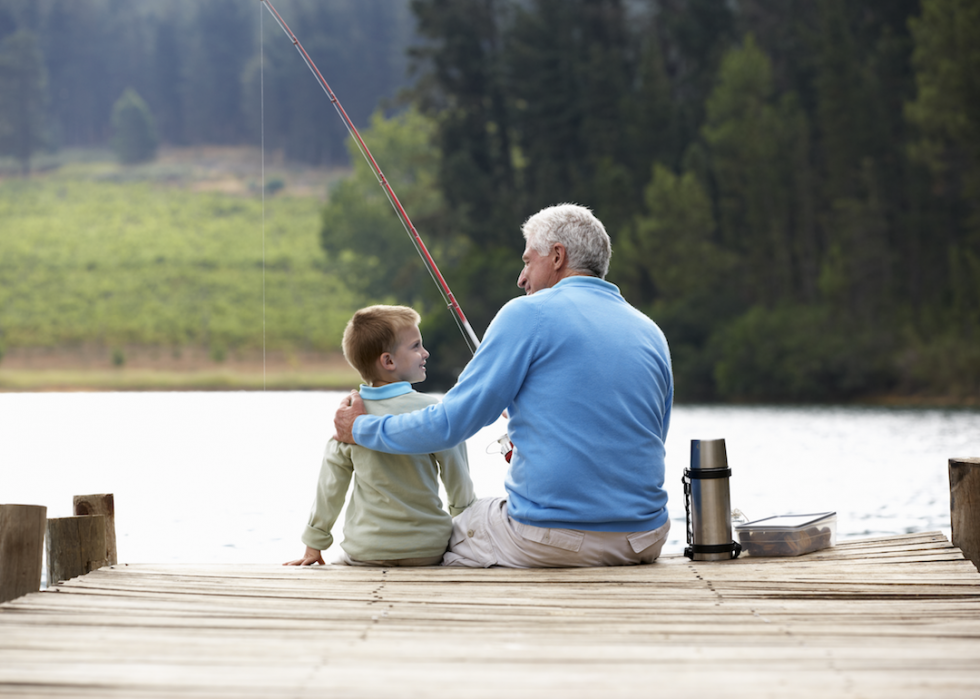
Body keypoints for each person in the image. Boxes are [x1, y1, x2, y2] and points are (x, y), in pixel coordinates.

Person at [333, 204, 673, 568]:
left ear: (557, 256)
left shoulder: (527, 313)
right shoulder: (650, 331)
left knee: (446, 535)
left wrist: (361, 428)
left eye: (528, 261)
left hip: (552, 540)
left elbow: (449, 424)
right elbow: (646, 436)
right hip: (645, 539)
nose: (521, 278)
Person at [285, 305, 476, 567]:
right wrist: (465, 524)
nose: (425, 352)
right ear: (388, 361)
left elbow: (330, 486)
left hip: (366, 550)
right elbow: (458, 479)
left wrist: (313, 545)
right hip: (427, 548)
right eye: (416, 346)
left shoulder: (348, 418)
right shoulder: (431, 412)